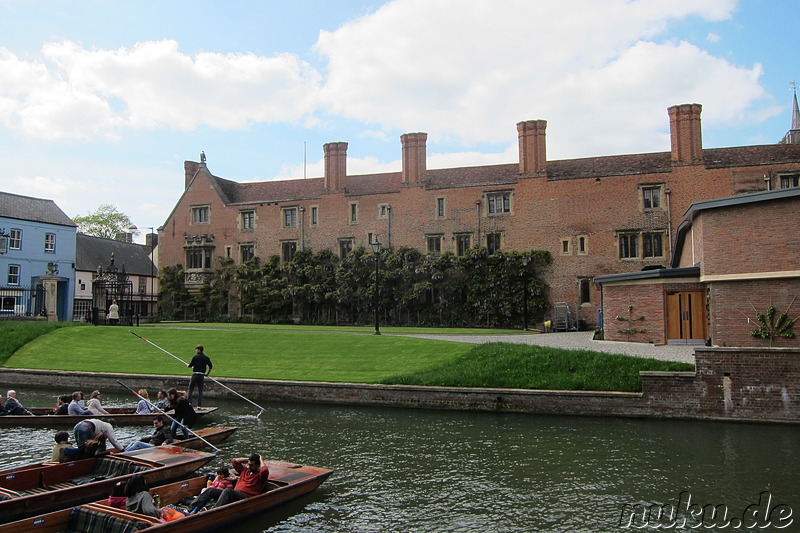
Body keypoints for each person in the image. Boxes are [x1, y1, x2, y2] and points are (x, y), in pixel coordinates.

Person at [189, 454, 270, 513]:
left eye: (252, 465)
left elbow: (265, 470)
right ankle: (190, 510)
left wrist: (260, 459)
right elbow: (234, 462)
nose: (249, 467)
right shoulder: (245, 470)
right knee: (211, 490)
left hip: (245, 496)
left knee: (228, 491)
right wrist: (248, 459)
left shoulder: (261, 476)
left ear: (258, 465)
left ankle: (213, 511)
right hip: (234, 494)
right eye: (248, 465)